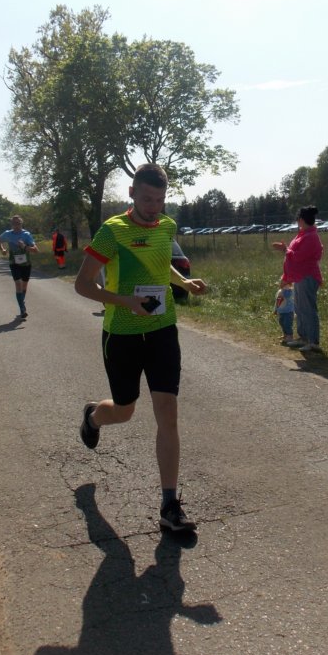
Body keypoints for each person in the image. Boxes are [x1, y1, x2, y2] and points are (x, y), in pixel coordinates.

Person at [73, 164, 208, 533]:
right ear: (132, 193)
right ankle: (93, 417)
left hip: (163, 331)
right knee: (124, 411)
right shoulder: (112, 231)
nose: (154, 207)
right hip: (122, 335)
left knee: (168, 414)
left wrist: (185, 282)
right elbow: (83, 284)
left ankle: (169, 505)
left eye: (160, 200)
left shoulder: (167, 226)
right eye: (147, 199)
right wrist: (124, 301)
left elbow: (161, 266)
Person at [272, 205, 323, 353]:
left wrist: (285, 249)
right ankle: (303, 337)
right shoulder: (304, 234)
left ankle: (313, 341)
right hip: (300, 277)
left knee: (308, 309)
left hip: (308, 277)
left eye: (297, 219)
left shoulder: (310, 236)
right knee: (299, 308)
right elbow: (294, 255)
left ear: (301, 219)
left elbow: (298, 257)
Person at [0, 215, 40, 318]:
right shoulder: (7, 234)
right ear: (11, 224)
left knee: (24, 286)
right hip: (14, 263)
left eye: (18, 223)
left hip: (26, 264)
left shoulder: (26, 234)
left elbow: (36, 250)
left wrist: (24, 246)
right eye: (14, 223)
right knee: (18, 284)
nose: (16, 225)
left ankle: (21, 302)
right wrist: (2, 249)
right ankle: (22, 309)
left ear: (21, 224)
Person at [273, 276, 295, 345]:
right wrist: (275, 309)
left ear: (289, 284)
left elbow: (287, 296)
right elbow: (277, 301)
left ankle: (290, 336)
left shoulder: (289, 291)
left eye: (284, 283)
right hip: (281, 311)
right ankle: (285, 335)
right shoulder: (280, 291)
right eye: (281, 282)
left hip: (288, 311)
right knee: (281, 323)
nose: (282, 284)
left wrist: (286, 288)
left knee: (287, 323)